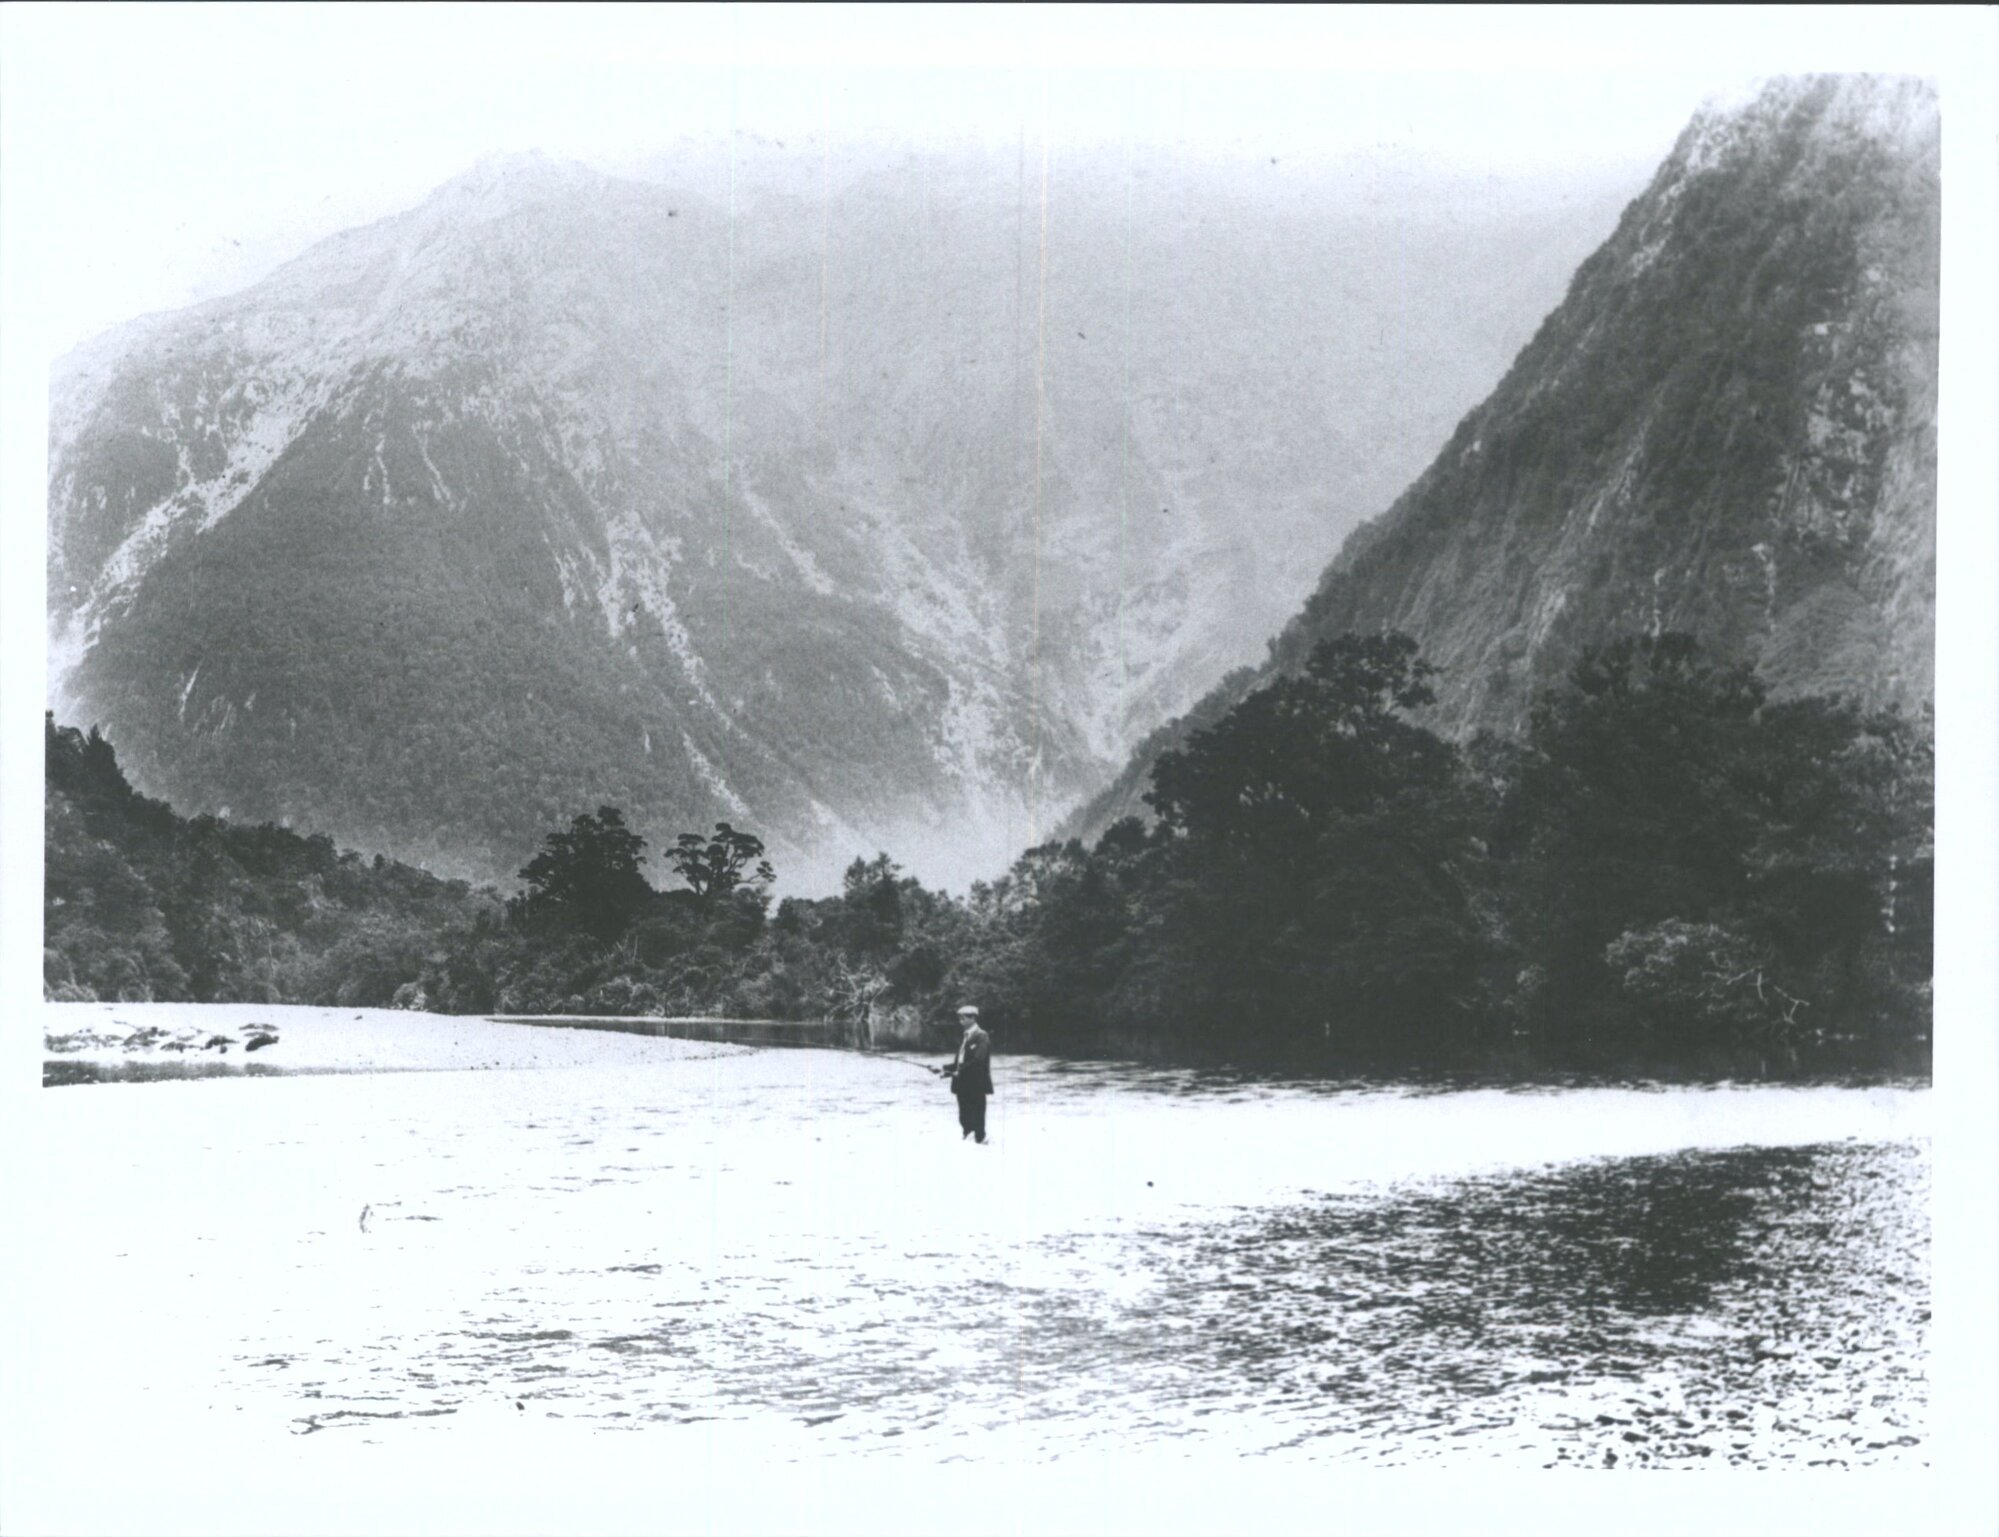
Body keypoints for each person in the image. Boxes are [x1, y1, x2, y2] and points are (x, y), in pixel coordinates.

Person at [941, 1004, 993, 1143]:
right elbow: (960, 1062)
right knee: (964, 1118)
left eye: (963, 1018)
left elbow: (978, 1060)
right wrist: (945, 1069)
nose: (960, 1021)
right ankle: (968, 1144)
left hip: (976, 1084)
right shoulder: (965, 1037)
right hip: (962, 1085)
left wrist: (958, 1071)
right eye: (959, 1018)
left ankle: (980, 1142)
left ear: (973, 1018)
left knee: (977, 1120)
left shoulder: (982, 1036)